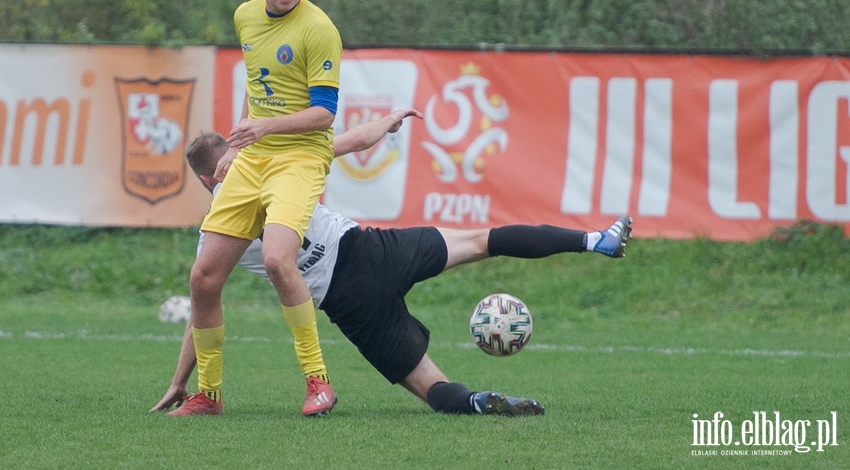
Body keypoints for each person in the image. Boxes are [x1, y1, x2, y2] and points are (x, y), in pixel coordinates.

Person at [153, 113, 633, 417]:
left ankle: (477, 402)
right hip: (372, 250)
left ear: (202, 177)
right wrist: (388, 122)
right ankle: (595, 240)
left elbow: (203, 305)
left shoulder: (217, 232)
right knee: (483, 240)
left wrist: (180, 380)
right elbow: (352, 141)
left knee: (430, 387)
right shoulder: (274, 161)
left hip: (350, 304)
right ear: (234, 152)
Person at [172, 0, 343, 417]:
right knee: (203, 278)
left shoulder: (319, 29)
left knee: (276, 260)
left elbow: (324, 115)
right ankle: (208, 395)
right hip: (254, 159)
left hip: (299, 157)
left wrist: (263, 127)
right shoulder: (245, 16)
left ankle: (318, 383)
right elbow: (257, 86)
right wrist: (242, 144)